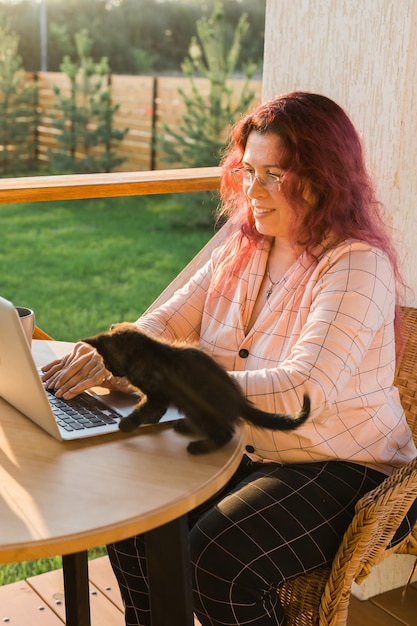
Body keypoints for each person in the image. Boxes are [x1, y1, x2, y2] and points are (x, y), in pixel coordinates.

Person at [42, 92, 417, 626]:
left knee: (218, 561)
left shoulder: (357, 266)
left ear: (323, 177)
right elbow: (163, 323)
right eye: (248, 171)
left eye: (274, 175)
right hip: (246, 444)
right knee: (133, 516)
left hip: (345, 462)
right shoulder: (240, 244)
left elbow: (300, 393)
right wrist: (111, 353)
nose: (254, 191)